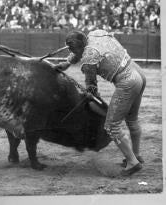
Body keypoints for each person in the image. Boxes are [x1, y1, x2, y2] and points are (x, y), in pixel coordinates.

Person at [55, 30, 146, 176]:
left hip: (128, 81)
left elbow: (92, 89)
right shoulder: (95, 33)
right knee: (132, 119)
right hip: (137, 71)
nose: (71, 52)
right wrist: (67, 62)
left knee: (111, 126)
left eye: (72, 49)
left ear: (78, 47)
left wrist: (88, 94)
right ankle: (136, 155)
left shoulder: (88, 59)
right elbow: (82, 51)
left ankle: (132, 163)